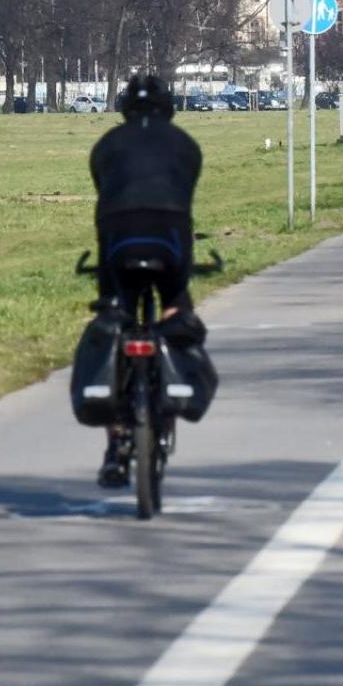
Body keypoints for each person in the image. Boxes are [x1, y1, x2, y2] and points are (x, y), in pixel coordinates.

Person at [86, 74, 205, 488]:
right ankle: (176, 376)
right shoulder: (185, 144)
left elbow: (104, 189)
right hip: (169, 232)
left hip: (119, 235)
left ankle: (117, 440)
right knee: (174, 302)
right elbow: (185, 192)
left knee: (116, 316)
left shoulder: (106, 144)